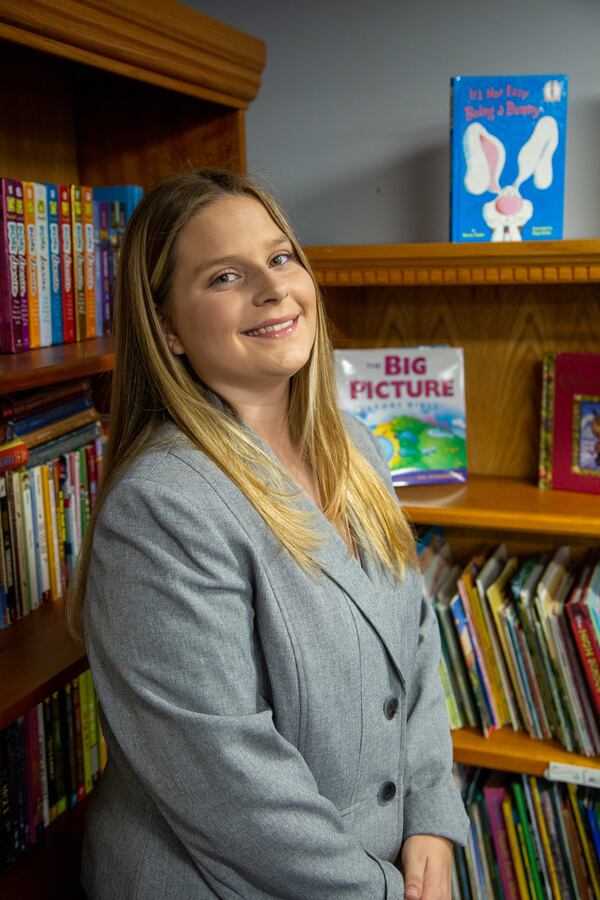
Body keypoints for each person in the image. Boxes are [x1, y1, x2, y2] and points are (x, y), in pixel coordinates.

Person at [67, 168, 469, 899]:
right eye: (226, 276)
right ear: (168, 331)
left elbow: (414, 646)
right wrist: (382, 891)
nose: (273, 287)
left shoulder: (354, 445)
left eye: (281, 258)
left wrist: (432, 816)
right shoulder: (161, 507)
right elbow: (231, 791)